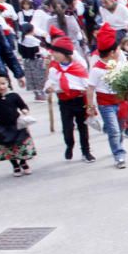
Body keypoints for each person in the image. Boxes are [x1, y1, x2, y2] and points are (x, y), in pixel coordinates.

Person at [43, 32, 94, 163]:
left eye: (56, 52)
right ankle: (69, 145)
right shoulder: (54, 69)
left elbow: (87, 87)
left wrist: (89, 105)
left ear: (65, 54)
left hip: (78, 101)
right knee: (67, 128)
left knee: (83, 127)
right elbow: (50, 81)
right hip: (64, 102)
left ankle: (86, 151)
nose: (53, 55)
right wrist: (48, 88)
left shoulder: (78, 68)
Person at [85, 24, 127, 169]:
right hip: (106, 104)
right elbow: (90, 89)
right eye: (118, 49)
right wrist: (90, 107)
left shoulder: (120, 64)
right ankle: (118, 154)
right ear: (111, 52)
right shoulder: (96, 69)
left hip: (120, 101)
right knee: (114, 130)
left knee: (120, 129)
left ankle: (117, 145)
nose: (119, 51)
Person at [0, 72, 36, 176]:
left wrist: (25, 110)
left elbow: (23, 106)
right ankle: (15, 166)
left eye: (3, 83)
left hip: (17, 125)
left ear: (8, 82)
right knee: (7, 148)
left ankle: (23, 163)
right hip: (1, 127)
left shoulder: (13, 96)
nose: (1, 86)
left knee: (21, 145)